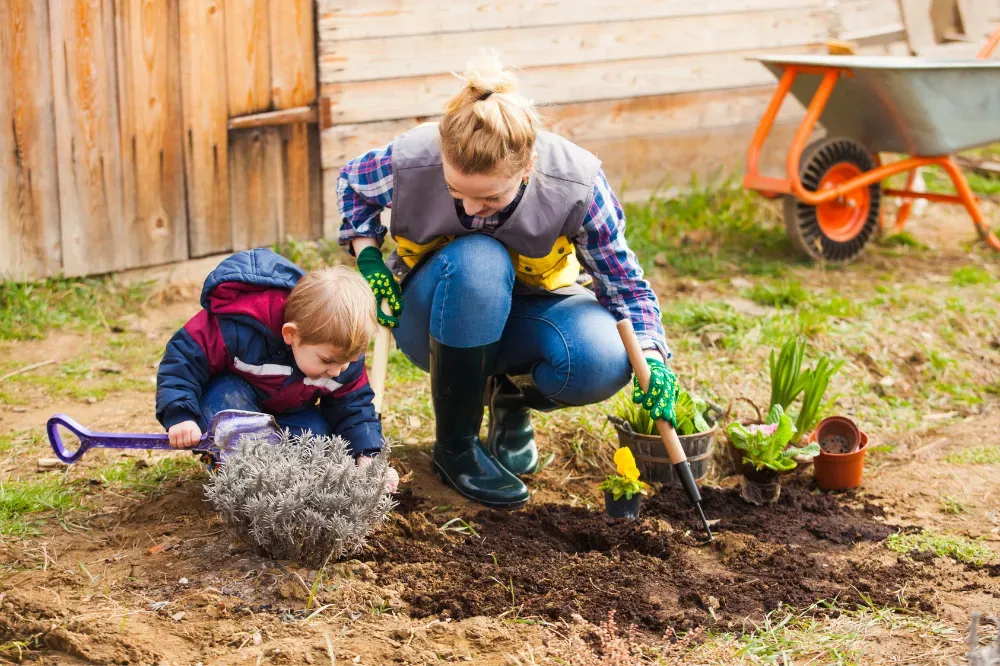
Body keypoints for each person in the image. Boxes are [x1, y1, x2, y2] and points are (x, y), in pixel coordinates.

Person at [337, 53, 678, 508]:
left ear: (528, 165)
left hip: (529, 312)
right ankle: (456, 445)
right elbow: (352, 186)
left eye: (491, 197)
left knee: (601, 358)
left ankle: (511, 399)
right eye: (457, 193)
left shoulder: (576, 184)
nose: (472, 210)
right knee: (479, 255)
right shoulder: (411, 160)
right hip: (433, 319)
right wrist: (370, 259)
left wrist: (652, 357)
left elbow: (624, 286)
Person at [155, 248, 397, 485]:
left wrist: (368, 455)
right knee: (226, 401)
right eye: (327, 361)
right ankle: (235, 470)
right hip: (232, 404)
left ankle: (279, 477)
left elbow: (354, 408)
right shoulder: (239, 327)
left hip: (286, 414)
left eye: (348, 361)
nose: (337, 371)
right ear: (292, 334)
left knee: (321, 440)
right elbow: (182, 361)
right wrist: (181, 415)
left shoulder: (341, 357)